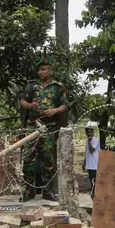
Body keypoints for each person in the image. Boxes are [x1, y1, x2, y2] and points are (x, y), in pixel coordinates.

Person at [18, 56, 69, 202]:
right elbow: (22, 101)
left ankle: (47, 191)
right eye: (39, 69)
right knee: (28, 158)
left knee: (48, 159)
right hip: (32, 126)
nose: (40, 72)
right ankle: (29, 190)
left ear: (50, 70)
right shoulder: (31, 86)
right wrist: (30, 106)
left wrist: (55, 110)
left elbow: (66, 105)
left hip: (50, 127)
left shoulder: (58, 87)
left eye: (43, 69)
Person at [82, 127, 100, 198]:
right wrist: (84, 163)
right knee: (91, 181)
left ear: (93, 133)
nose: (89, 134)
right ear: (86, 133)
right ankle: (94, 195)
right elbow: (87, 153)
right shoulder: (87, 141)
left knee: (95, 182)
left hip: (95, 165)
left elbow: (92, 150)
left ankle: (95, 196)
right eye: (88, 132)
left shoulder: (96, 140)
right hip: (89, 166)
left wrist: (89, 142)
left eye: (91, 132)